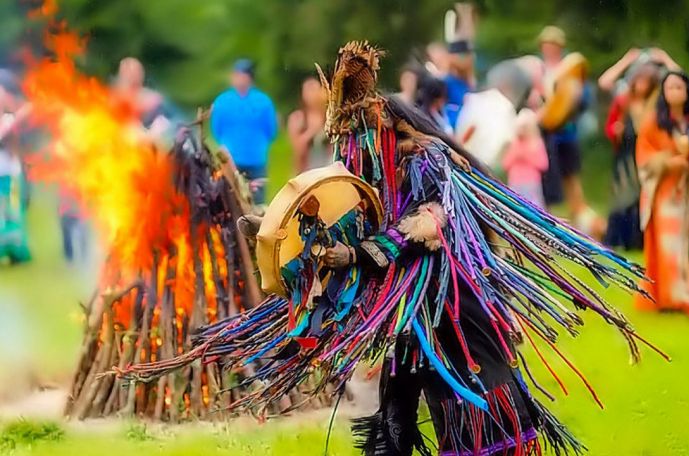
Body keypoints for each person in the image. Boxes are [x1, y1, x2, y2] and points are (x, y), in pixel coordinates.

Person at [125, 42, 651, 456]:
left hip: (451, 300)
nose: (350, 148)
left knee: (466, 395)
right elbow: (339, 212)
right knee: (396, 404)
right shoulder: (364, 170)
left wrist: (356, 255)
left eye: (357, 135)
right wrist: (281, 230)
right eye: (345, 141)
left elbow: (427, 224)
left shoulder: (427, 162)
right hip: (404, 311)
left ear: (384, 124)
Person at [635, 71, 689, 317]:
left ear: (687, 91)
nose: (674, 92)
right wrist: (668, 162)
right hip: (666, 193)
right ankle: (683, 298)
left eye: (679, 87)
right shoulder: (653, 123)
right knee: (671, 246)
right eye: (669, 88)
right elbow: (644, 156)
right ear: (663, 93)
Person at [599, 49, 680, 250]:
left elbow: (680, 79)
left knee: (644, 194)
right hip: (626, 154)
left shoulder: (659, 100)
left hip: (648, 153)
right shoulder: (625, 99)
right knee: (624, 194)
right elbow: (604, 83)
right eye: (639, 78)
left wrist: (666, 59)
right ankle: (621, 239)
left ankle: (642, 240)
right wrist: (626, 60)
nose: (642, 83)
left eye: (646, 79)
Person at [534, 25, 602, 237]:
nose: (549, 48)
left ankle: (580, 228)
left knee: (572, 182)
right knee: (547, 183)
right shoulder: (540, 70)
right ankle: (549, 230)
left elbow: (580, 102)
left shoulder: (570, 70)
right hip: (545, 135)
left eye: (553, 44)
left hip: (567, 133)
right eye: (546, 44)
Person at [211, 59, 278, 205]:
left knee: (257, 203)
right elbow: (216, 128)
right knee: (230, 202)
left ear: (250, 78)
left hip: (256, 160)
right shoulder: (222, 101)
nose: (239, 79)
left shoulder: (263, 102)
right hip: (231, 160)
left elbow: (271, 130)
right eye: (236, 75)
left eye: (243, 75)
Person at [0, 72, 31, 265]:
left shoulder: (10, 120)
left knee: (12, 214)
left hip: (10, 177)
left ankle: (17, 253)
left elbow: (26, 113)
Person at [113, 57, 174, 141]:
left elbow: (164, 123)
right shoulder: (112, 99)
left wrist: (149, 135)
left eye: (134, 72)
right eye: (126, 72)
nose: (131, 76)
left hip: (147, 143)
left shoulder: (153, 100)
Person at [502, 108, 548, 207]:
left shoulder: (536, 143)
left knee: (534, 206)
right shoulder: (514, 144)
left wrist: (526, 156)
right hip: (515, 182)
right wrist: (516, 155)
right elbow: (505, 164)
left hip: (531, 183)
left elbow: (543, 164)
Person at [288, 77, 328, 173]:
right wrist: (312, 131)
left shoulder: (328, 118)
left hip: (327, 171)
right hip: (306, 172)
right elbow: (298, 150)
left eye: (314, 90)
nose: (312, 94)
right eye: (308, 90)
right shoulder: (298, 118)